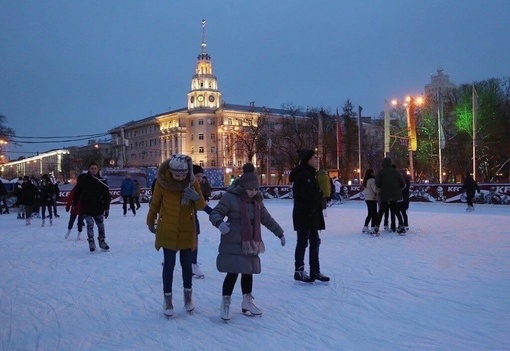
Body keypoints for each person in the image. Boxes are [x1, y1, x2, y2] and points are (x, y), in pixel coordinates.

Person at [209, 163, 285, 321]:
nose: (253, 192)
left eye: (256, 189)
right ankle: (225, 303)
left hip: (250, 242)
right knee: (233, 272)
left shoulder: (257, 201)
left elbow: (266, 219)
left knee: (248, 271)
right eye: (250, 189)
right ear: (243, 187)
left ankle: (247, 301)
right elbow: (216, 212)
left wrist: (280, 233)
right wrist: (220, 223)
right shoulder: (230, 197)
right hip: (233, 240)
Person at [146, 154, 206, 317]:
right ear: (171, 172)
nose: (180, 178)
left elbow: (201, 206)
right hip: (168, 229)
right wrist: (150, 221)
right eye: (177, 175)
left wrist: (196, 197)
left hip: (187, 229)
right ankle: (168, 300)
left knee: (187, 265)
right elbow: (155, 204)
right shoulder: (162, 183)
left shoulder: (192, 182)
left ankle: (188, 298)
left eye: (183, 175)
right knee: (169, 265)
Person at [289, 149, 330, 283]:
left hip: (311, 214)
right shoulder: (303, 175)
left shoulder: (310, 174)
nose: (316, 160)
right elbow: (308, 195)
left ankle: (315, 271)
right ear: (307, 160)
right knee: (303, 242)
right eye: (314, 158)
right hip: (304, 214)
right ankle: (299, 271)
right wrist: (319, 194)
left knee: (315, 242)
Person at [73, 162, 111, 252]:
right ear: (89, 169)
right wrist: (75, 203)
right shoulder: (84, 180)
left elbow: (106, 196)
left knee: (100, 225)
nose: (94, 170)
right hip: (87, 206)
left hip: (98, 207)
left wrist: (107, 208)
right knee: (90, 225)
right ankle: (91, 241)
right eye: (92, 168)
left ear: (98, 169)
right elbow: (77, 191)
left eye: (95, 168)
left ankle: (102, 241)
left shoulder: (102, 181)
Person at [374, 157, 406, 235]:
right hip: (394, 195)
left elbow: (377, 184)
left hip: (384, 195)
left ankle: (376, 226)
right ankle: (401, 225)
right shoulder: (396, 172)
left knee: (381, 211)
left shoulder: (381, 173)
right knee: (396, 211)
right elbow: (403, 184)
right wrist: (397, 190)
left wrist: (382, 189)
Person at [191, 165, 212, 279]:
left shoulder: (198, 186)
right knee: (183, 242)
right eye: (197, 176)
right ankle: (170, 260)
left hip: (194, 218)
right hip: (184, 219)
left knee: (194, 242)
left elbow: (201, 204)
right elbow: (202, 205)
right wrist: (213, 213)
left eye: (201, 176)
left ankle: (193, 264)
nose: (199, 179)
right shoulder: (188, 187)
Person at [362, 169, 379, 235]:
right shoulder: (372, 180)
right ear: (372, 173)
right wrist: (380, 189)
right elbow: (375, 189)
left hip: (367, 198)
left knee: (370, 214)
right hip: (372, 198)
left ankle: (365, 227)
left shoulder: (366, 180)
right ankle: (373, 228)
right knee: (374, 214)